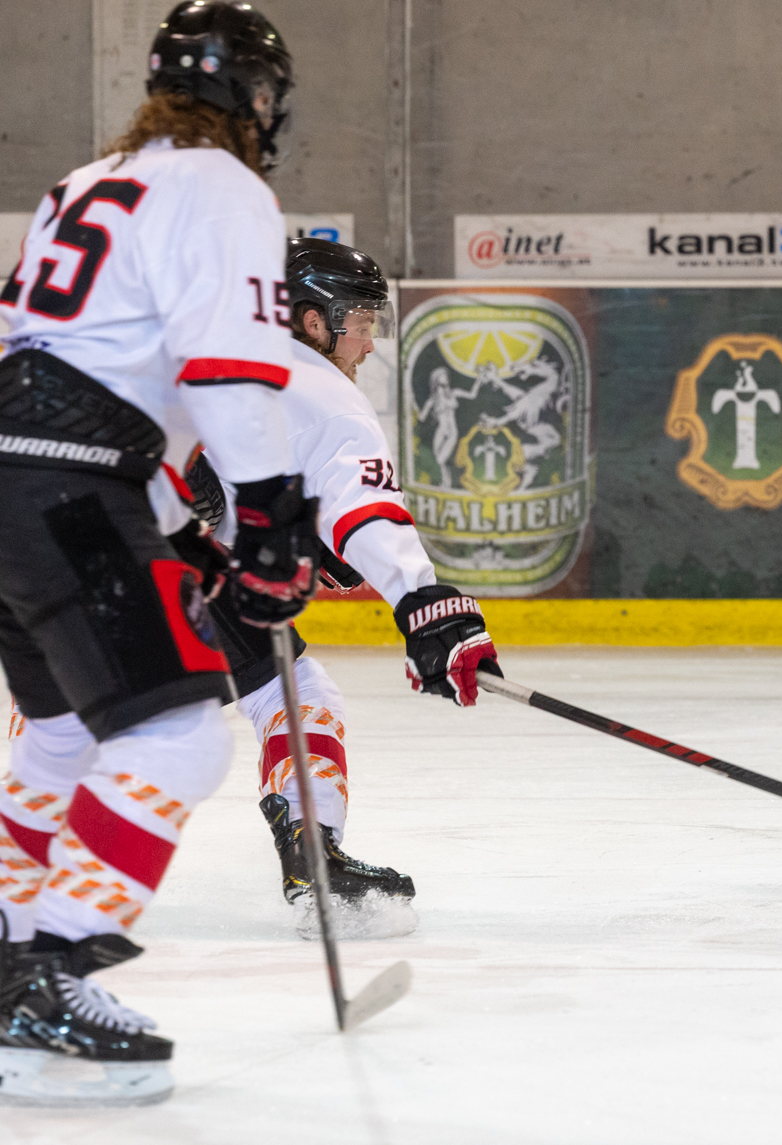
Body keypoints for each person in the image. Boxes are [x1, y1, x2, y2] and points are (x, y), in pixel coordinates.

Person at [0, 1, 316, 1106]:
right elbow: (225, 367)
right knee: (178, 733)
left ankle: (8, 947)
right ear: (253, 97)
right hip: (70, 489)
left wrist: (181, 529)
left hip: (23, 481)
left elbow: (70, 357)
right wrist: (269, 523)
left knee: (58, 733)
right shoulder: (223, 187)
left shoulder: (86, 182)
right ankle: (50, 974)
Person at [184, 237, 502, 938]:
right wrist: (424, 602)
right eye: (358, 321)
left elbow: (206, 482)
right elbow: (367, 509)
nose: (366, 342)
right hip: (160, 563)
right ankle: (314, 861)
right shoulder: (321, 391)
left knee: (67, 725)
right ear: (312, 320)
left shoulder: (212, 352)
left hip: (55, 556)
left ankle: (24, 872)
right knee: (295, 694)